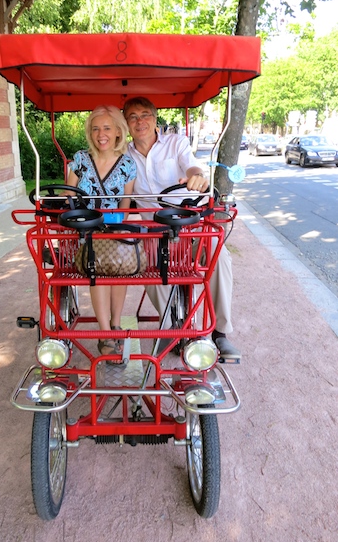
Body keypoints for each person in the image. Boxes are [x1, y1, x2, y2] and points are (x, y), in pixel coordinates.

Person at [123, 96, 240, 362]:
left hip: (190, 225)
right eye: (133, 117)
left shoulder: (175, 143)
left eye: (145, 115)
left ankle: (220, 332)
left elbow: (192, 164)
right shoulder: (125, 156)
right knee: (145, 263)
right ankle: (180, 327)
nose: (140, 121)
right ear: (127, 124)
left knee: (218, 255)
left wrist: (196, 176)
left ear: (155, 119)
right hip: (155, 231)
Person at [66, 105, 136, 362]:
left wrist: (112, 225)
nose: (101, 134)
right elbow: (68, 195)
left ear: (118, 131)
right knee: (98, 264)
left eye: (107, 128)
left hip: (115, 228)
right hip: (86, 230)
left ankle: (115, 325)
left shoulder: (127, 163)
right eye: (95, 128)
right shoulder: (81, 160)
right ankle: (106, 332)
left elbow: (126, 207)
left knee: (119, 260)